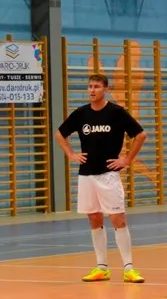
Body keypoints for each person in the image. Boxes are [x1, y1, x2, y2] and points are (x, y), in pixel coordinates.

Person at [56, 74, 147, 283]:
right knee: (94, 219)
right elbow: (60, 133)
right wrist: (71, 154)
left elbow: (140, 135)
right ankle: (101, 267)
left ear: (105, 89)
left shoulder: (116, 112)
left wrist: (127, 159)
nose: (92, 90)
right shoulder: (81, 113)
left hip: (108, 175)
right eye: (90, 86)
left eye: (96, 86)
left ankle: (129, 268)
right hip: (87, 175)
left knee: (118, 219)